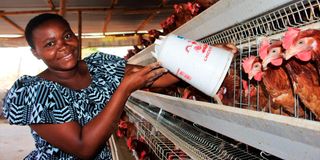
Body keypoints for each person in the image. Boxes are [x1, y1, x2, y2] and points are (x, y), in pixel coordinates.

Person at [3, 13, 237, 160]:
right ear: (36, 53)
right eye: (50, 44)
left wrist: (207, 56)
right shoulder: (35, 92)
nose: (63, 46)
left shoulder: (99, 66)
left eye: (67, 36)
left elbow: (155, 76)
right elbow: (84, 148)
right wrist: (124, 89)